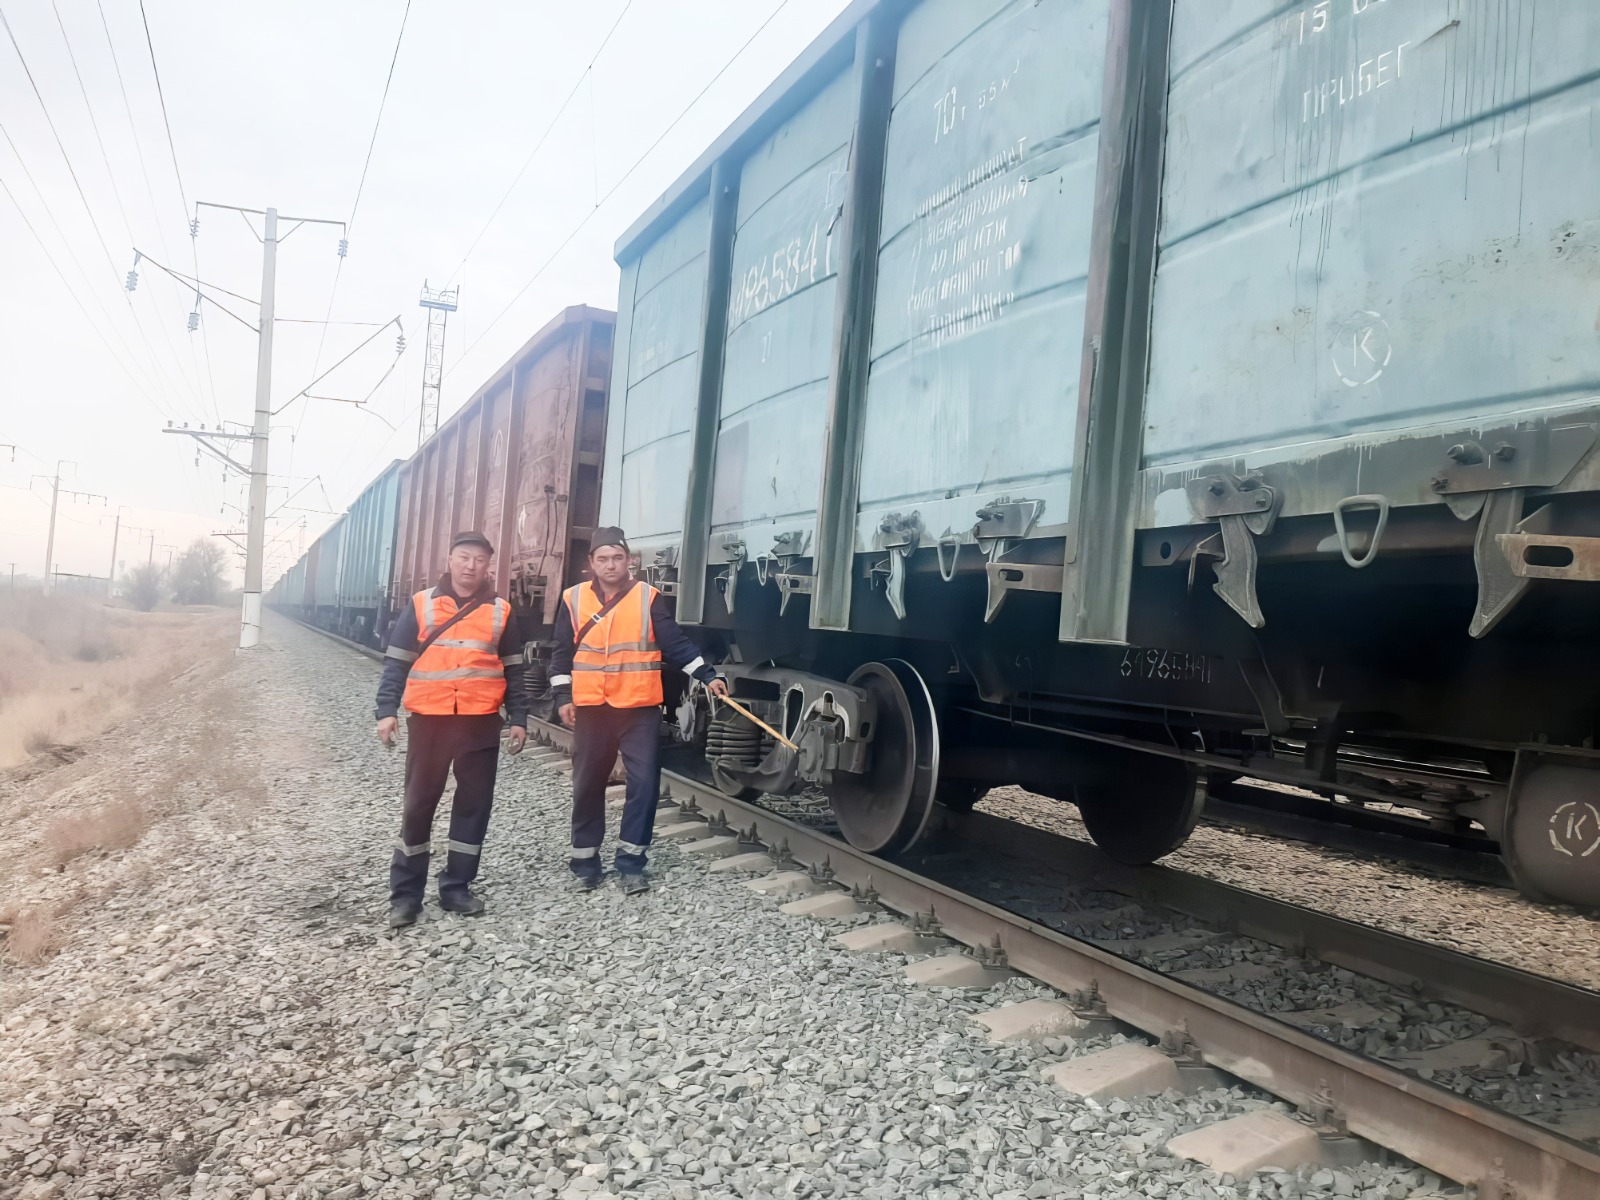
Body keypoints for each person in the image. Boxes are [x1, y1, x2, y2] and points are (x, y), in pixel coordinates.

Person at [550, 527, 727, 894]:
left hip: (639, 708)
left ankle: (632, 864)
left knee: (644, 786)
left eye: (617, 558)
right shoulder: (573, 598)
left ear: (629, 560)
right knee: (587, 784)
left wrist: (708, 675)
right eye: (603, 559)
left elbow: (674, 642)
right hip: (592, 707)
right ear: (591, 564)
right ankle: (585, 863)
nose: (611, 565)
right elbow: (560, 654)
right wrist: (562, 698)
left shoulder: (648, 597)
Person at [375, 531, 528, 928]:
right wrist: (385, 710)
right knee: (419, 804)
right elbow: (396, 662)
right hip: (431, 722)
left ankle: (456, 887)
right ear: (449, 559)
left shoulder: (501, 610)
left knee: (474, 806)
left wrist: (520, 719)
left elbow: (514, 669)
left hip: (479, 723)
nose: (471, 566)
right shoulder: (422, 604)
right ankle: (406, 897)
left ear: (488, 565)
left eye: (479, 559)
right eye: (464, 557)